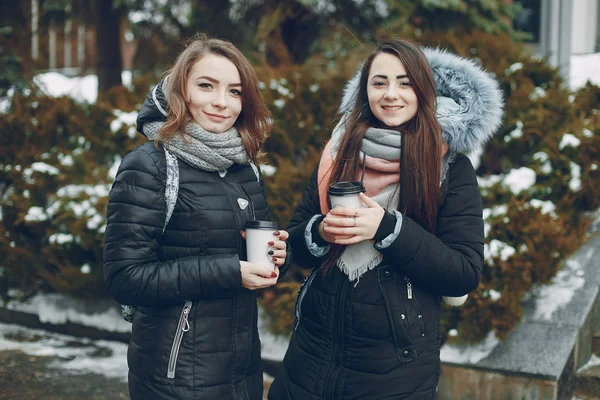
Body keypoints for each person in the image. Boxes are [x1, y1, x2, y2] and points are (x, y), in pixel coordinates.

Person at [268, 39, 503, 399]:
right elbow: (297, 247)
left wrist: (389, 229)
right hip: (310, 360)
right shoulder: (337, 153)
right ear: (365, 90)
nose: (391, 94)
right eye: (379, 82)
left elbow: (462, 274)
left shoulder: (451, 169)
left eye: (405, 82)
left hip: (395, 373)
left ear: (424, 90)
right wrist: (320, 232)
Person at [103, 35, 290, 400]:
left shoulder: (244, 168)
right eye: (206, 86)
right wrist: (230, 271)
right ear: (180, 92)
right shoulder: (150, 166)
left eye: (235, 91)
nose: (222, 102)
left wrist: (279, 254)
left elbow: (255, 254)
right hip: (174, 374)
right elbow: (125, 277)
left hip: (241, 370)